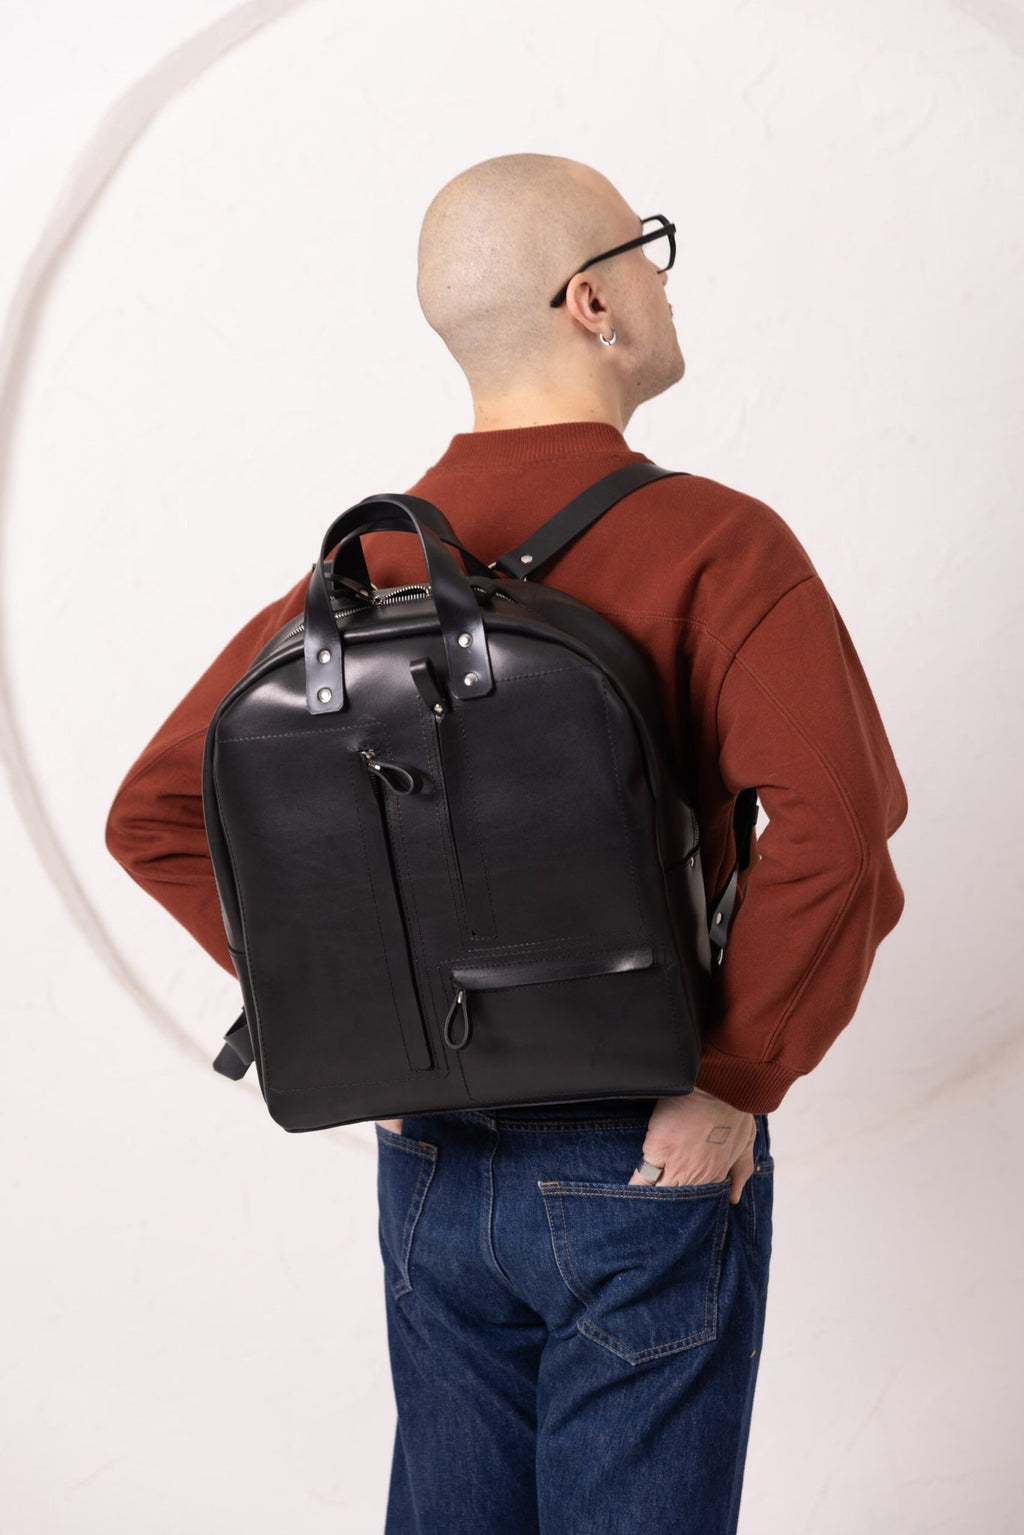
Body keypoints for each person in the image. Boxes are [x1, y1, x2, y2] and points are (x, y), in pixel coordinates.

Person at [105, 153, 909, 1533]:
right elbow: (838, 832)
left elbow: (159, 814)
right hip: (641, 1152)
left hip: (429, 1157)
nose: (663, 280)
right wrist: (734, 1074)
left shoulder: (365, 578)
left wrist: (376, 1018)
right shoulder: (716, 545)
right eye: (649, 250)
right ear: (591, 300)